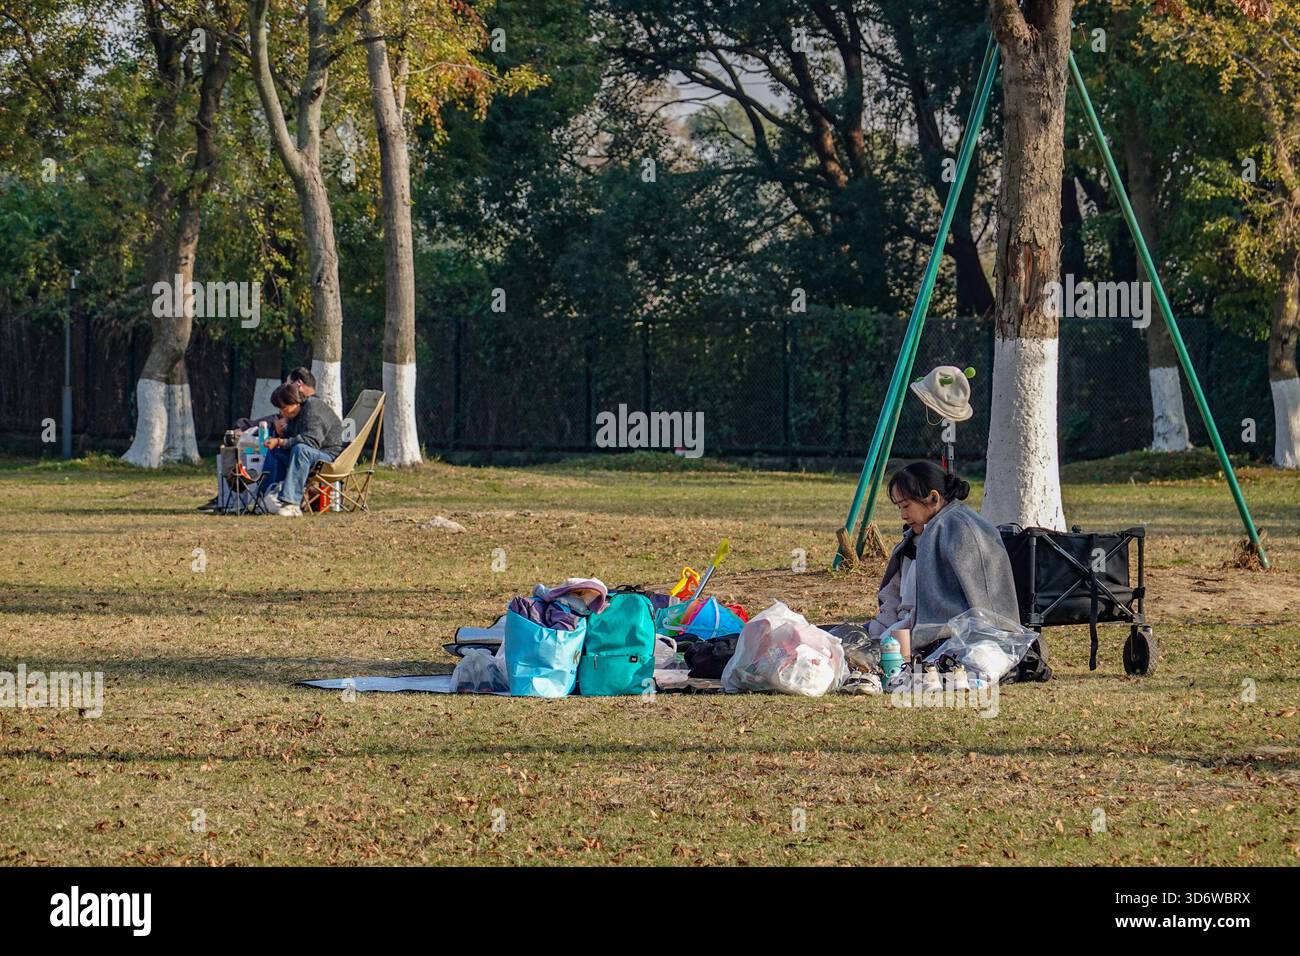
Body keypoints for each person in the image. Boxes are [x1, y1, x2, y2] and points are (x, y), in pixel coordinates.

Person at [868, 461, 1020, 651]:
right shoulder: (919, 535)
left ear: (933, 497)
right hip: (906, 628)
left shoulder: (963, 529)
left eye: (906, 506)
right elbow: (896, 594)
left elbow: (987, 606)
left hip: (947, 637)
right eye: (899, 507)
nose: (903, 516)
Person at [200, 367, 319, 513]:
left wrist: (282, 438)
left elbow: (310, 439)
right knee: (247, 439)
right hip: (287, 442)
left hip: (305, 453)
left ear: (298, 384)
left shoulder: (311, 407)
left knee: (271, 447)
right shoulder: (296, 408)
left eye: (288, 385)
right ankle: (237, 497)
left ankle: (259, 496)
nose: (285, 389)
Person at [259, 381, 343, 517]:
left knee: (300, 450)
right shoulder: (294, 414)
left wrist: (281, 441)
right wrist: (281, 434)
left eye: (284, 408)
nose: (282, 412)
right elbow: (293, 438)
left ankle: (292, 504)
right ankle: (268, 495)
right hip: (312, 454)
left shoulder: (313, 408)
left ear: (295, 402)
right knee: (276, 451)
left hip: (330, 456)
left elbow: (312, 441)